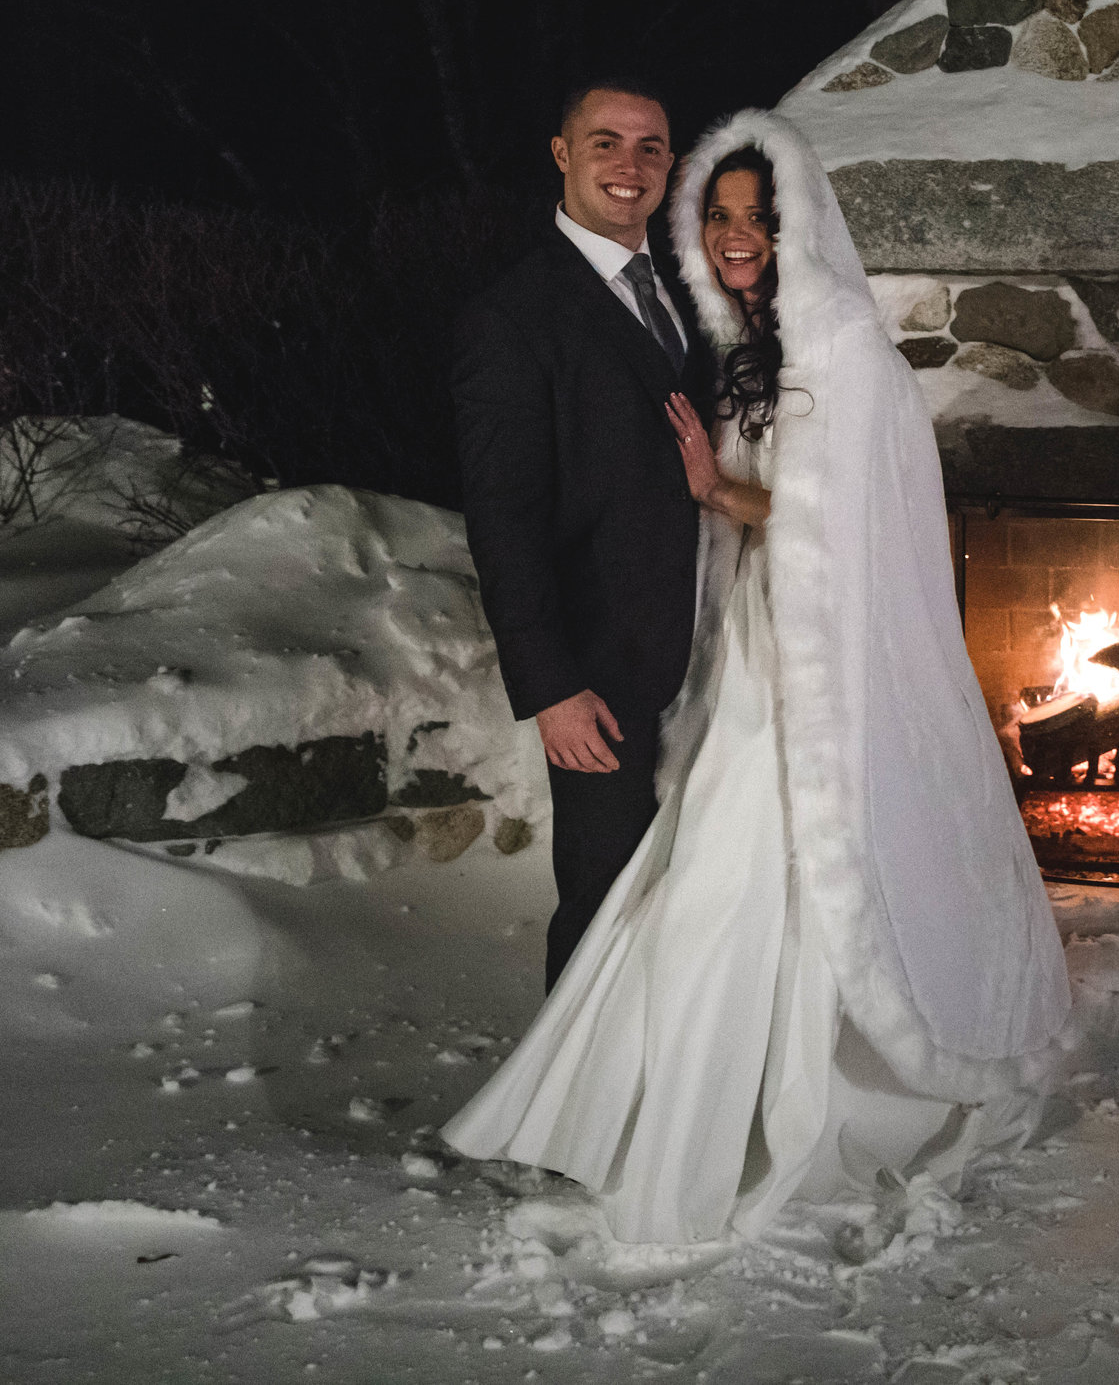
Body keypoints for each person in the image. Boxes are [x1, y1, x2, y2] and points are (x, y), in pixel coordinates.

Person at [444, 109, 1072, 1245]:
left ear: (799, 223)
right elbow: (512, 513)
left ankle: (706, 1116)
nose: (737, 235)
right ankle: (630, 1108)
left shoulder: (843, 346)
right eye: (721, 215)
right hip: (723, 650)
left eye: (757, 216)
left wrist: (722, 491)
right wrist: (555, 671)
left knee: (744, 876)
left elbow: (867, 530)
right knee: (675, 877)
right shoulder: (718, 332)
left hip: (813, 659)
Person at [451, 78, 714, 990]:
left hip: (713, 651)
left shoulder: (690, 288)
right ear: (561, 155)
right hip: (603, 671)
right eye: (605, 143)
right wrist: (552, 685)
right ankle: (566, 1126)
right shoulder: (513, 318)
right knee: (603, 901)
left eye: (650, 147)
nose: (629, 166)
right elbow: (504, 518)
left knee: (696, 896)